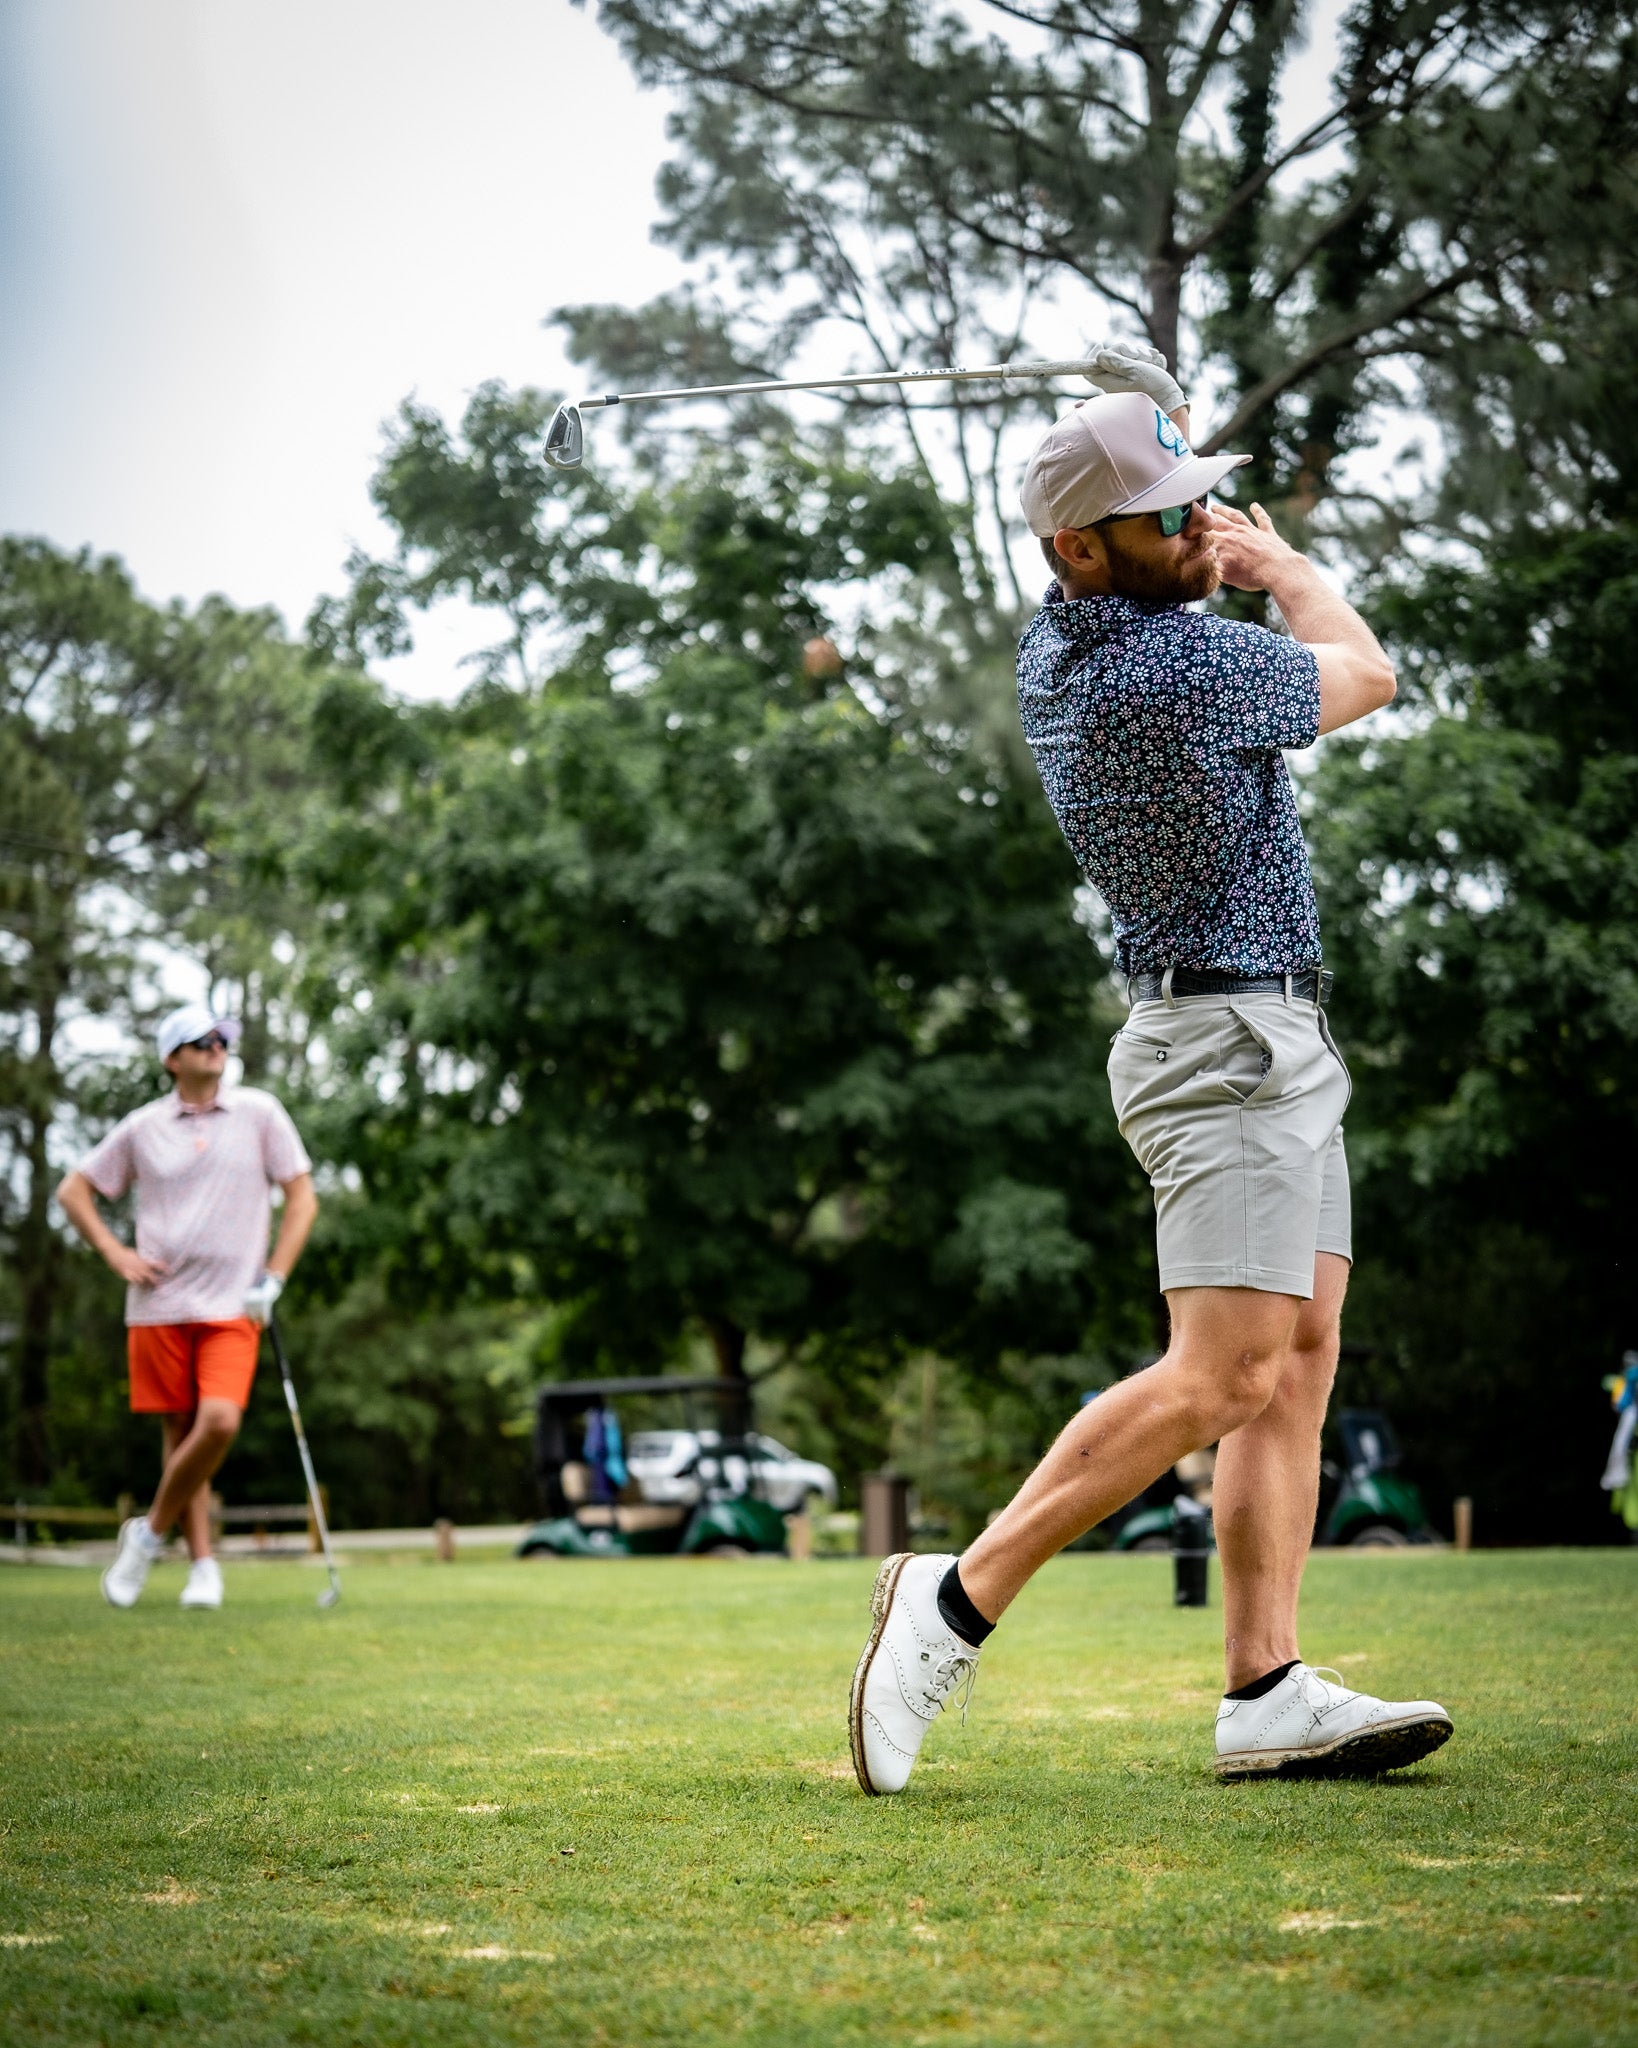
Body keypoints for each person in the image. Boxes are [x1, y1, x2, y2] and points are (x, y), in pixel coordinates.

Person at [849, 348, 1453, 1792]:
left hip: (1264, 1036)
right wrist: (1280, 561)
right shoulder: (1168, 664)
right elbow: (1366, 671)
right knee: (1221, 1371)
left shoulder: (1066, 633)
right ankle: (947, 1601)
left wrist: (1147, 421)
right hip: (1226, 1044)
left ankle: (1263, 1687)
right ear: (1079, 550)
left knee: (1294, 1366)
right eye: (1169, 518)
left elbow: (1136, 518)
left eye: (1199, 505)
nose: (1200, 529)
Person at [55, 1002, 317, 1611]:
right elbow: (75, 1189)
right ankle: (203, 1569)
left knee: (219, 1422)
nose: (216, 1047)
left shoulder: (259, 1112)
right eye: (201, 1041)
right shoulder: (144, 1127)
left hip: (235, 1305)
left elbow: (301, 1199)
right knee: (181, 1437)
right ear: (173, 1059)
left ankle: (146, 1536)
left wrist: (273, 1277)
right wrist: (114, 1252)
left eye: (221, 1039)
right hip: (159, 1304)